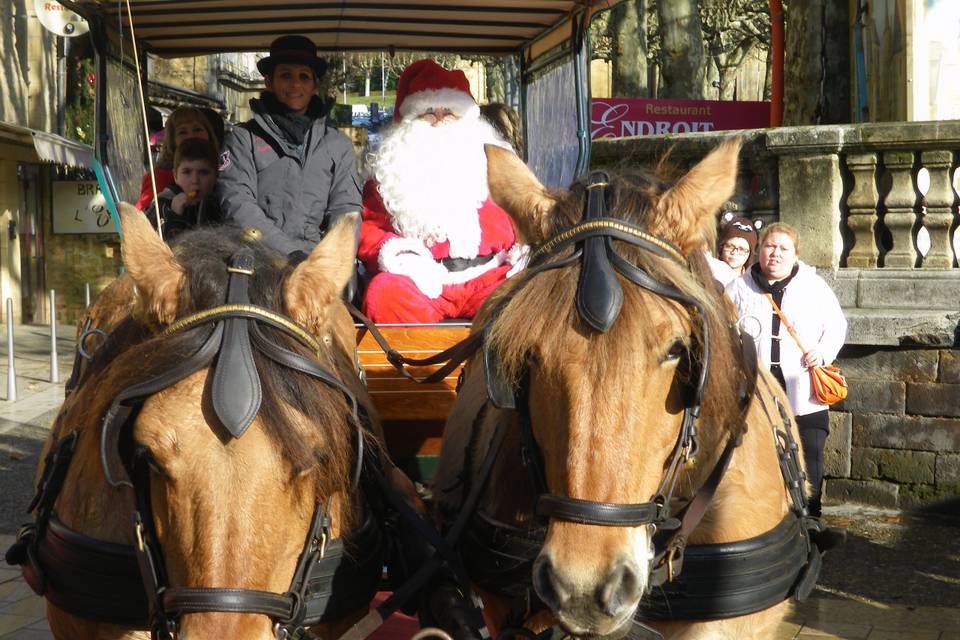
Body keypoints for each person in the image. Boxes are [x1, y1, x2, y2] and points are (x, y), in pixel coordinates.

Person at [359, 59, 526, 323]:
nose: (438, 121)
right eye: (428, 113)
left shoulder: (495, 164)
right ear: (410, 121)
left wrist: (524, 246)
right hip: (422, 282)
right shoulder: (387, 175)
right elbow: (367, 230)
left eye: (449, 111)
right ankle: (413, 365)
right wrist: (399, 256)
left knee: (525, 295)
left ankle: (498, 365)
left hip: (489, 278)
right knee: (383, 295)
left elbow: (524, 210)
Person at [726, 223, 847, 517]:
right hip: (757, 386)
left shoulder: (813, 286)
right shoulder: (738, 288)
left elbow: (836, 325)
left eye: (783, 248)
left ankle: (811, 517)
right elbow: (723, 329)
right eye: (770, 246)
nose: (775, 254)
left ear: (795, 255)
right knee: (762, 451)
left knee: (810, 454)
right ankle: (770, 515)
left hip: (804, 387)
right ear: (759, 251)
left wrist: (823, 352)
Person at [217, 35, 360, 257]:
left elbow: (346, 209)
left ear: (314, 85)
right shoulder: (242, 139)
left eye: (304, 76)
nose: (295, 84)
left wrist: (337, 260)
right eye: (286, 75)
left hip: (317, 264)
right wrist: (291, 253)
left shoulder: (338, 145)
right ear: (269, 82)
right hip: (258, 260)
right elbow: (238, 204)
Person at [134, 106, 220, 212]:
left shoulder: (227, 172)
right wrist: (169, 210)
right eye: (182, 132)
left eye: (197, 129)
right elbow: (142, 218)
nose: (191, 136)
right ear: (172, 141)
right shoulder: (159, 178)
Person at [145, 138, 222, 241]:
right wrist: (174, 216)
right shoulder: (161, 205)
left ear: (215, 176)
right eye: (187, 172)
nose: (195, 180)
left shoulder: (223, 202)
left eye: (203, 172)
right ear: (175, 176)